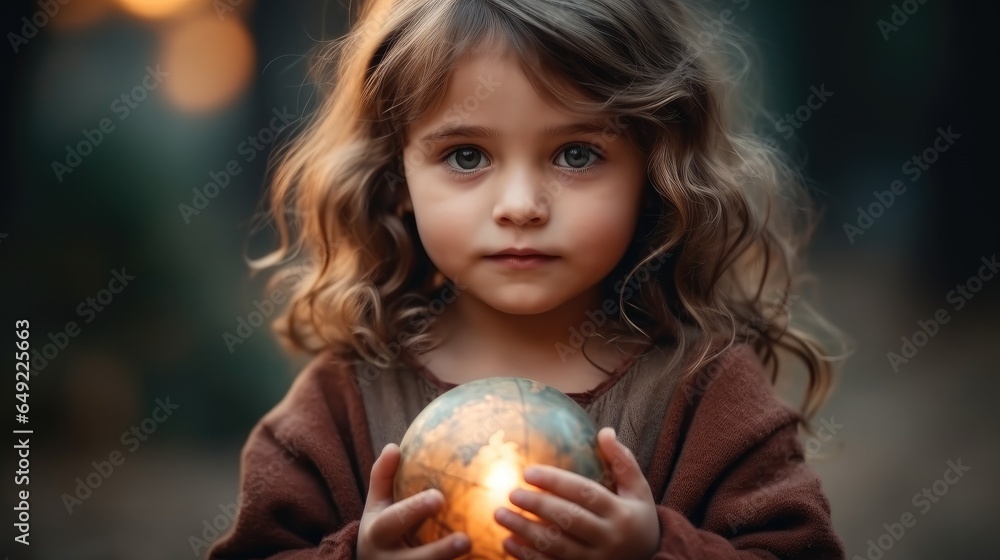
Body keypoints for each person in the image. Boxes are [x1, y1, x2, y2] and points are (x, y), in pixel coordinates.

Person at [208, 0, 848, 558]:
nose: (520, 204)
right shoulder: (344, 399)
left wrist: (656, 549)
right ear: (397, 179)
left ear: (654, 170)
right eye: (466, 156)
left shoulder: (707, 393)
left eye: (577, 154)